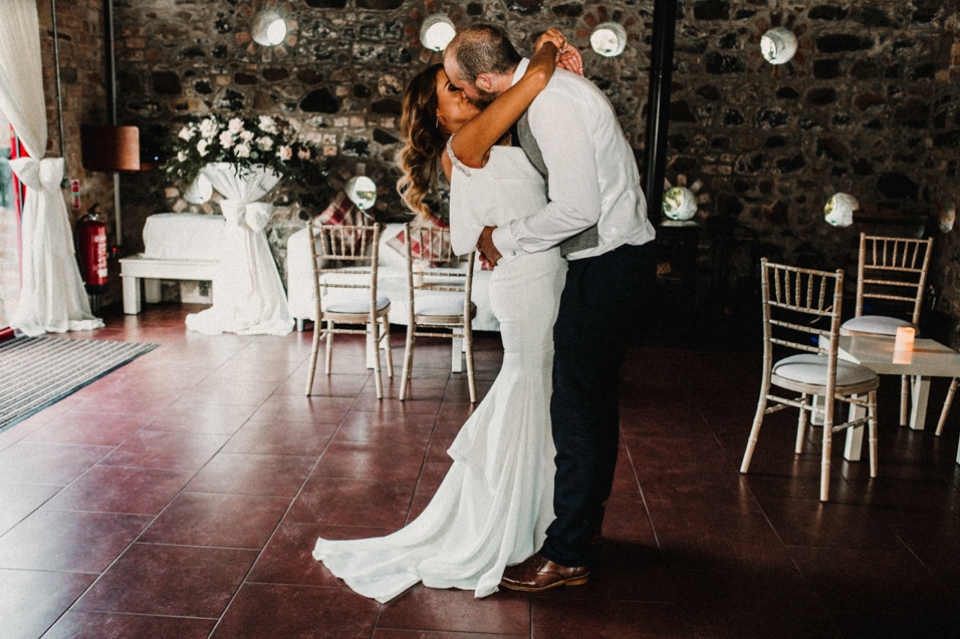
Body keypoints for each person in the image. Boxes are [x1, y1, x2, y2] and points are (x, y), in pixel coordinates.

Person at [312, 30, 581, 603]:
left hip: (536, 275)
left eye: (459, 83)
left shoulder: (494, 136)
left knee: (535, 393)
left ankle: (532, 521)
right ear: (435, 115)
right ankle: (507, 528)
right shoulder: (466, 145)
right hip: (527, 285)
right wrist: (546, 51)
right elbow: (531, 81)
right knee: (530, 388)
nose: (462, 91)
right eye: (450, 90)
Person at [443, 23, 657, 592]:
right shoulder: (547, 91)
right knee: (587, 405)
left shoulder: (551, 104)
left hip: (607, 262)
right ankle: (580, 531)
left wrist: (503, 237)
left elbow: (578, 209)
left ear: (488, 79)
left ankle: (566, 554)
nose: (463, 95)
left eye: (462, 85)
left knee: (576, 409)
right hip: (606, 260)